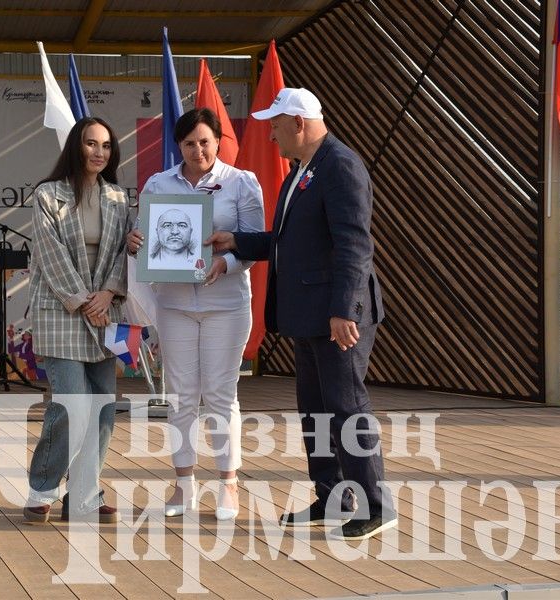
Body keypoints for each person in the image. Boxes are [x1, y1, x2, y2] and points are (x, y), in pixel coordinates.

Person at [206, 88, 397, 540]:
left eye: (274, 124)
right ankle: (332, 497)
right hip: (310, 315)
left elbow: (355, 244)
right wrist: (239, 240)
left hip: (336, 316)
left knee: (346, 406)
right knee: (316, 410)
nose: (270, 134)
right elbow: (291, 238)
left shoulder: (341, 165)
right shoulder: (304, 171)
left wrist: (343, 310)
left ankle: (375, 504)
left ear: (298, 123)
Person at [126, 108, 264, 520]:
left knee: (221, 395)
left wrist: (229, 263)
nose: (198, 150)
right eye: (189, 143)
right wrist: (136, 240)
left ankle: (228, 486)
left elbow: (254, 244)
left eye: (205, 141)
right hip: (174, 306)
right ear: (178, 145)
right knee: (181, 397)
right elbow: (144, 236)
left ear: (218, 140)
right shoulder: (158, 183)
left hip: (227, 305)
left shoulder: (242, 183)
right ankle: (182, 485)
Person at [23, 117, 129, 524]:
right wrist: (86, 300)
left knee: (102, 408)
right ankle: (41, 490)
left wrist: (107, 294)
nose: (99, 152)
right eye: (90, 143)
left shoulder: (118, 197)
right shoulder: (48, 194)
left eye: (105, 145)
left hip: (105, 313)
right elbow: (49, 255)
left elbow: (123, 251)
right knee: (71, 406)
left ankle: (84, 493)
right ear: (75, 147)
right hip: (63, 311)